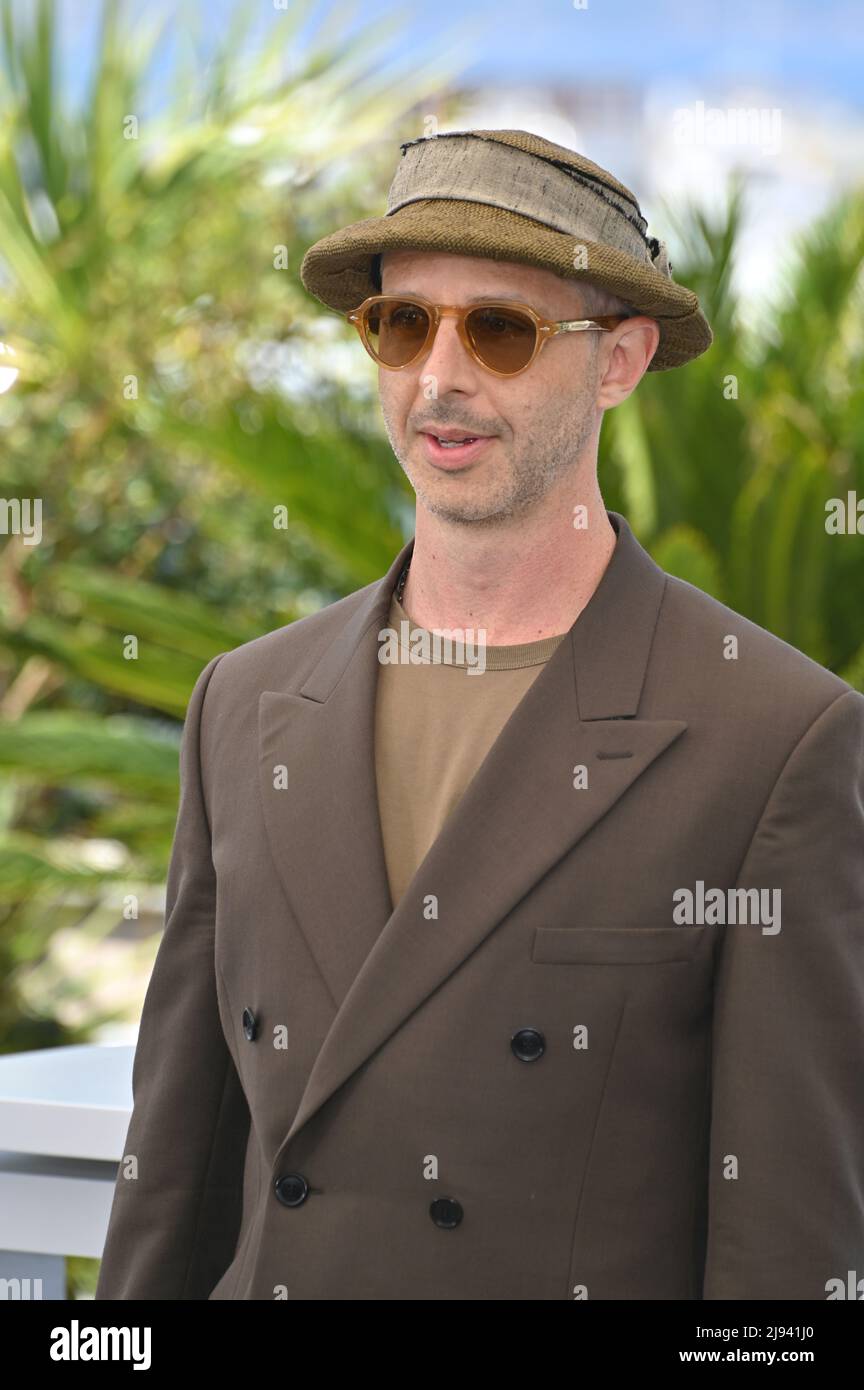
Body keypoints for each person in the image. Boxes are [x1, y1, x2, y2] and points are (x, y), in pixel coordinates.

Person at [95, 128, 864, 1301]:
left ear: (620, 361)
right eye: (403, 326)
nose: (439, 379)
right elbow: (175, 1176)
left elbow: (785, 1255)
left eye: (501, 329)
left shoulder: (774, 738)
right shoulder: (244, 702)